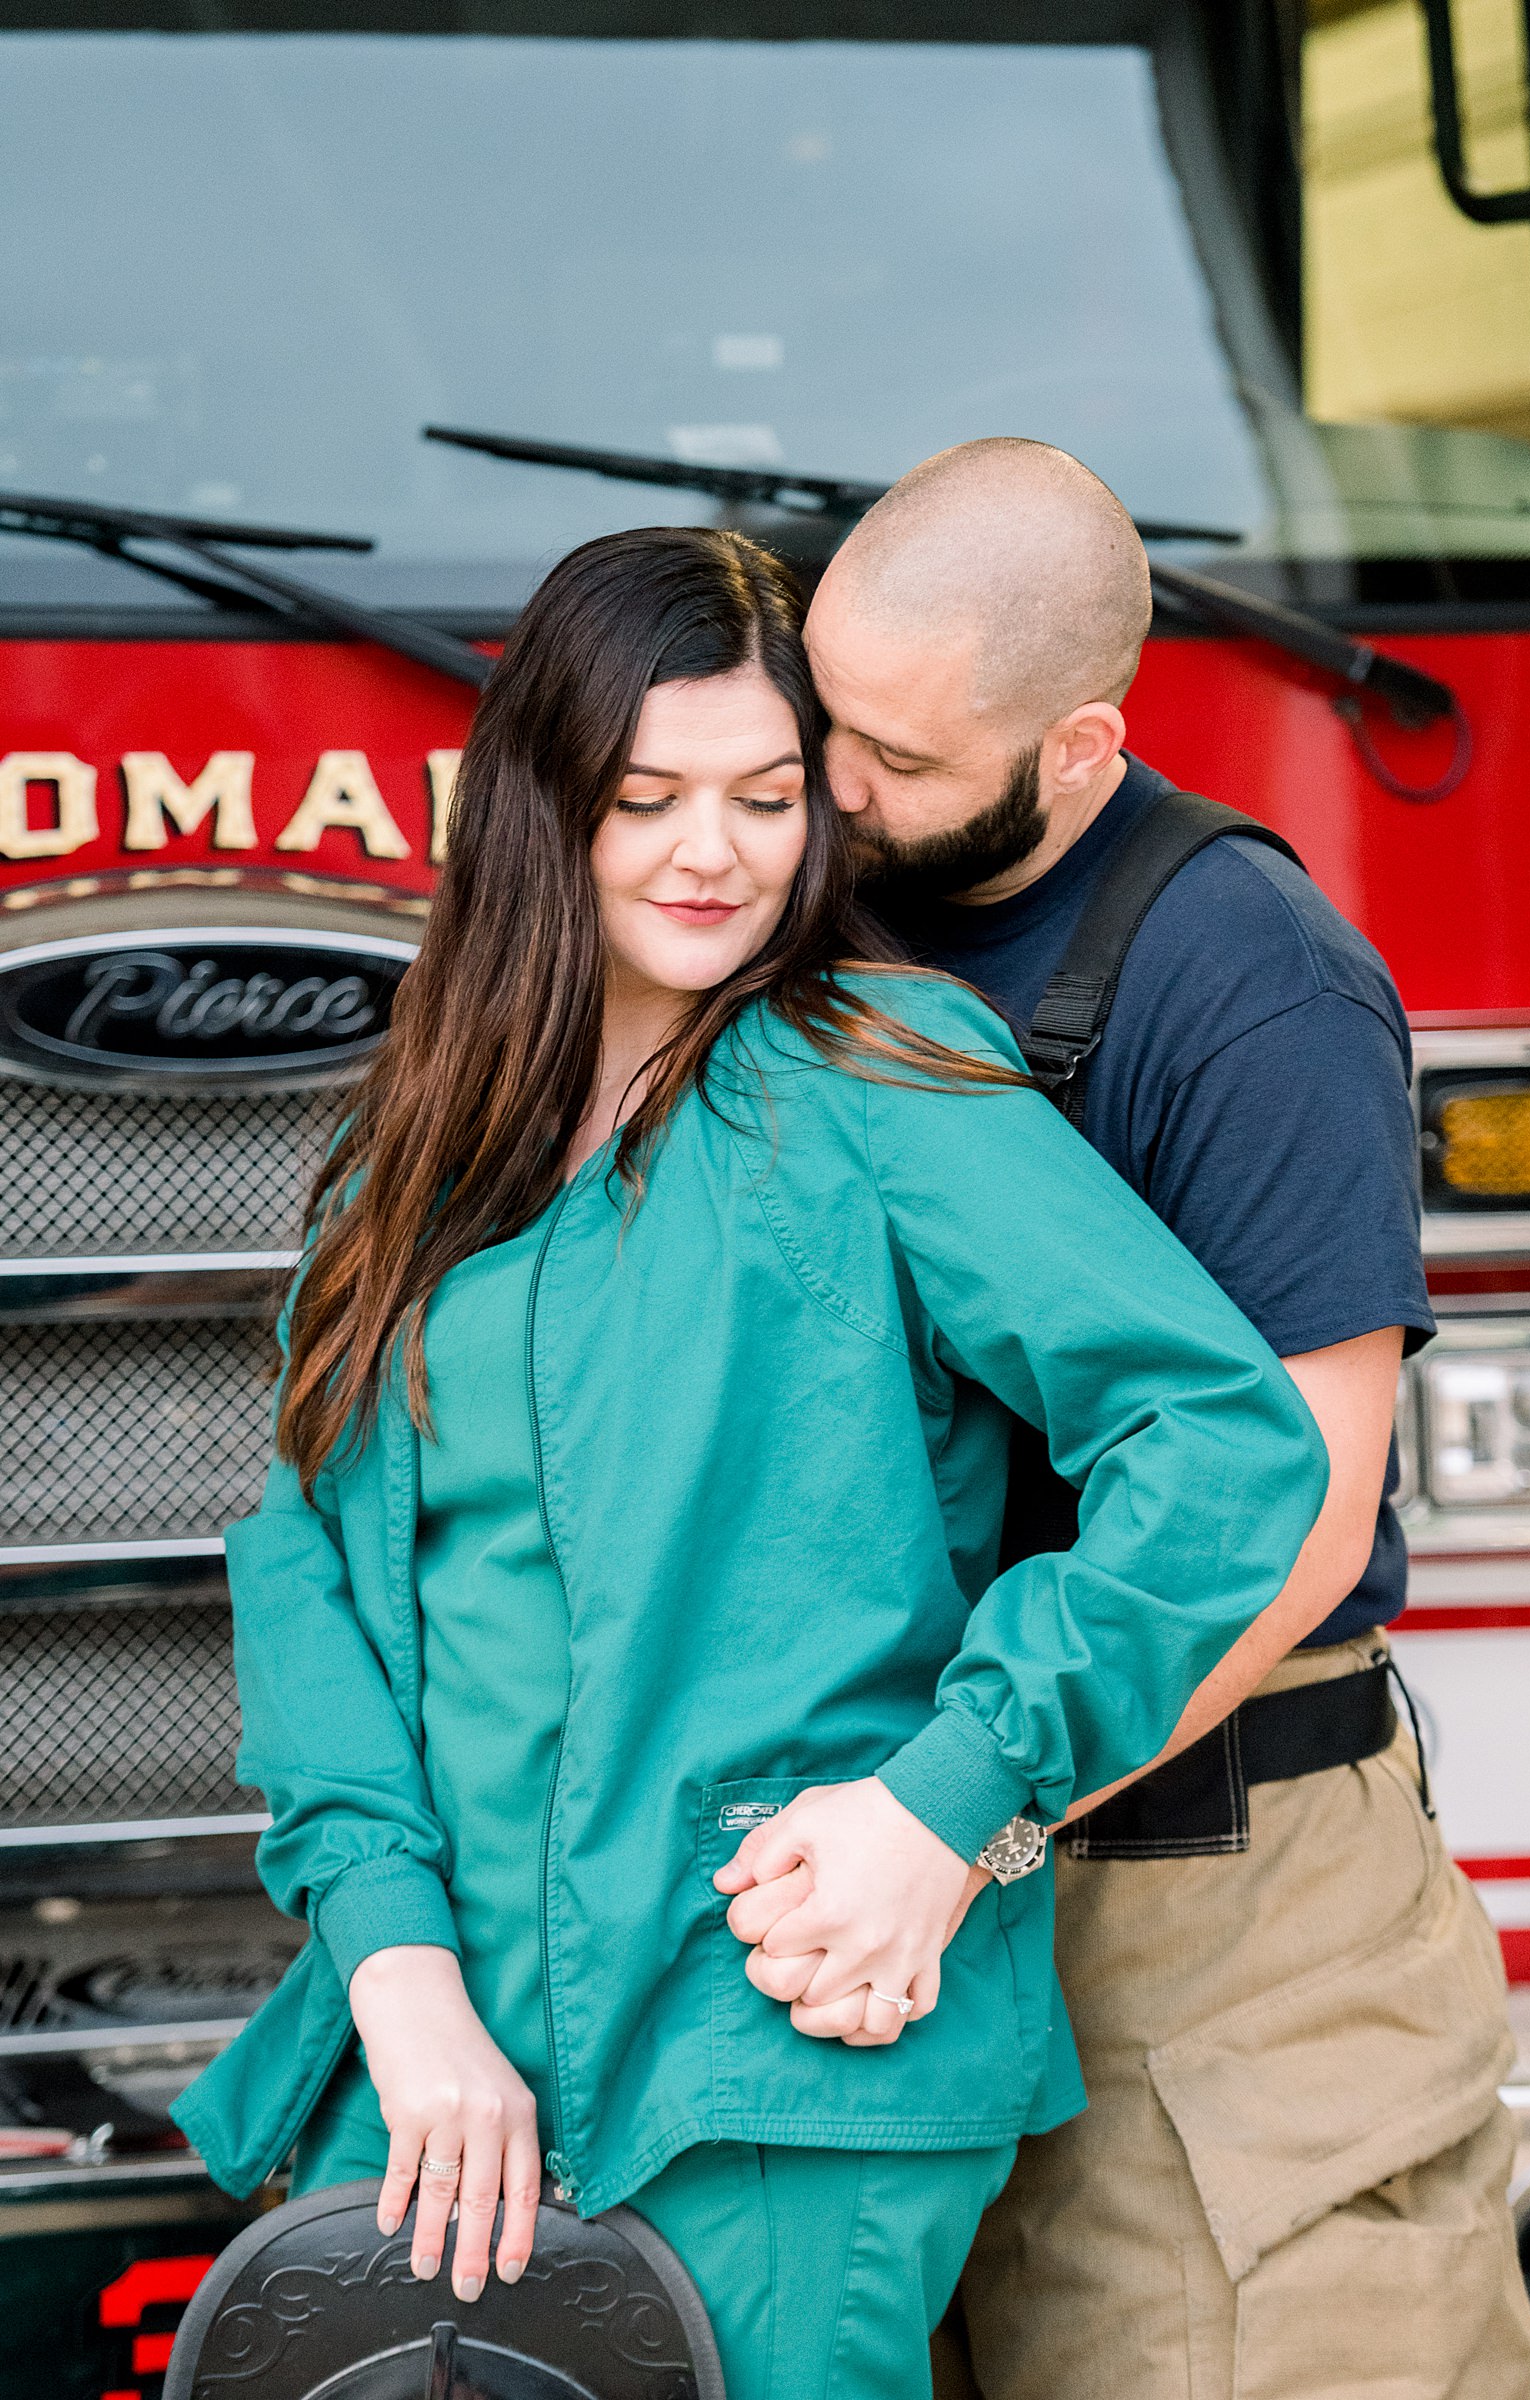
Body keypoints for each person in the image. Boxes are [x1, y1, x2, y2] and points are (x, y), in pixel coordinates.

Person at [173, 525, 1329, 2400]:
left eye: (767, 795)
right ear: (544, 811)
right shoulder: (422, 1138)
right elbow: (305, 1551)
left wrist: (951, 1798)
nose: (714, 852)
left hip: (772, 2050)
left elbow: (1217, 1446)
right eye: (646, 798)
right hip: (444, 2056)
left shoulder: (875, 1076)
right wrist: (394, 1970)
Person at [780, 439, 1530, 2400]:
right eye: (824, 724)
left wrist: (964, 1816)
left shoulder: (1251, 980)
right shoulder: (818, 903)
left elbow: (1294, 1519)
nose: (836, 794)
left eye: (906, 763)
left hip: (1214, 1919)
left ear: (1083, 749)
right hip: (882, 1881)